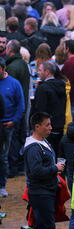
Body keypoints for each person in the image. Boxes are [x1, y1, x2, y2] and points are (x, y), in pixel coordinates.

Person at [24, 112, 65, 229]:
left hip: (43, 191)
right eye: (47, 125)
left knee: (41, 227)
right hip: (41, 192)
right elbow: (35, 172)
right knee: (47, 227)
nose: (50, 127)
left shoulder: (41, 143)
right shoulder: (34, 147)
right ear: (37, 127)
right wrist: (55, 168)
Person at [0, 57, 25, 197]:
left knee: (3, 156)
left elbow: (21, 105)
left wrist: (13, 121)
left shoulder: (14, 84)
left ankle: (2, 185)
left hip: (7, 125)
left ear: (3, 69)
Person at [30, 61, 66, 156]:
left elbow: (39, 110)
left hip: (45, 127)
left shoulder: (43, 88)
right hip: (59, 125)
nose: (38, 72)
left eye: (40, 70)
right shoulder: (62, 85)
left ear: (47, 72)